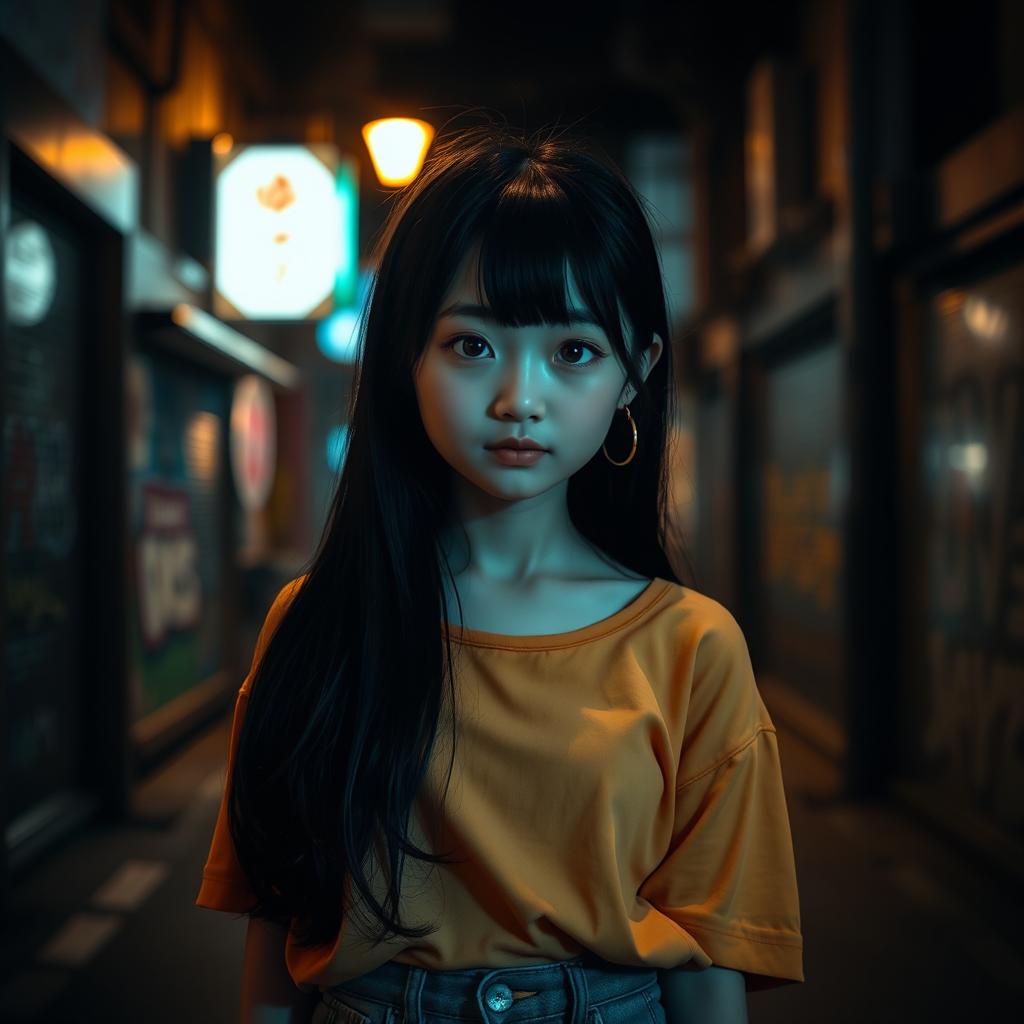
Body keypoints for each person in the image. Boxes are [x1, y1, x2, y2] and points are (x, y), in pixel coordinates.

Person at [195, 117, 803, 1024]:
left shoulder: (692, 647)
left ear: (636, 372)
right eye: (472, 345)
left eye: (574, 352)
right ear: (407, 356)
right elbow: (277, 930)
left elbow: (706, 959)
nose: (521, 398)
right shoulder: (321, 620)